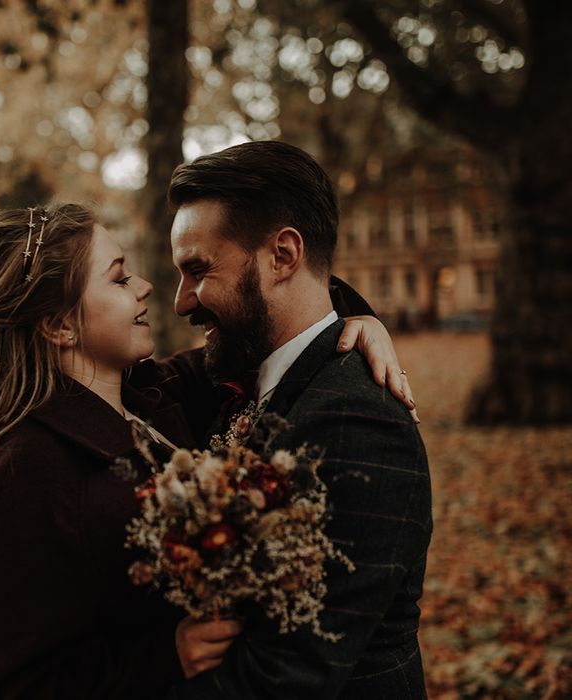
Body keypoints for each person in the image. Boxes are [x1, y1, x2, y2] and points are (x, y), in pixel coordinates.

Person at [0, 201, 402, 699]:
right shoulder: (23, 475)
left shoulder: (151, 397)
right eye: (118, 279)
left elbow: (275, 327)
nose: (145, 287)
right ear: (61, 325)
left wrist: (350, 323)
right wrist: (159, 657)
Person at [164, 141, 433, 698]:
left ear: (283, 256)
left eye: (197, 271)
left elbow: (287, 681)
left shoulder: (356, 421)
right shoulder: (244, 375)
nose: (181, 302)